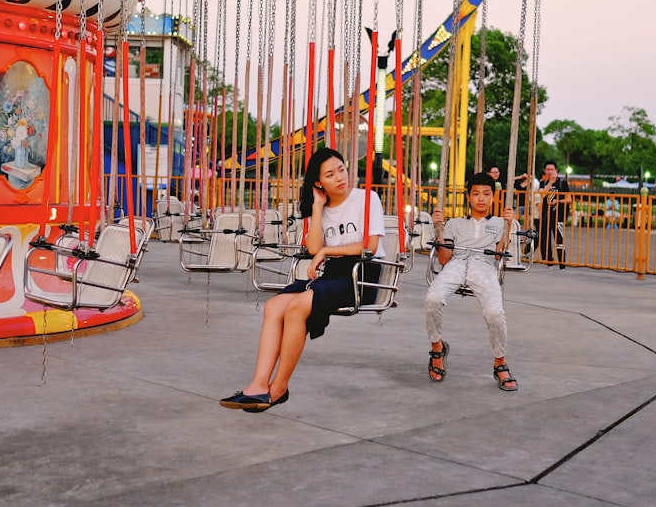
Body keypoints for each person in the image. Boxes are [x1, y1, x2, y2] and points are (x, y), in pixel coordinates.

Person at [219, 147, 386, 412]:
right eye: (330, 175)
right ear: (319, 183)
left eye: (341, 169)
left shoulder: (367, 198)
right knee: (274, 306)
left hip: (362, 274)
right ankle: (259, 385)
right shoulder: (321, 206)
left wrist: (327, 251)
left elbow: (370, 246)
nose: (340, 177)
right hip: (333, 274)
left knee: (297, 307)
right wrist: (318, 207)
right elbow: (313, 247)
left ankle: (279, 387)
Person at [424, 172, 518, 391]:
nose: (481, 198)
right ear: (468, 197)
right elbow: (444, 258)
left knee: (494, 312)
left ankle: (500, 362)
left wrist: (508, 227)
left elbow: (497, 256)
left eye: (486, 194)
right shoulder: (455, 223)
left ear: (493, 197)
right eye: (476, 194)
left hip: (484, 264)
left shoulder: (498, 223)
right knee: (432, 299)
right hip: (457, 262)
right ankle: (437, 348)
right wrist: (438, 230)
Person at [534, 161, 571, 268]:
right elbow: (541, 195)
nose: (550, 171)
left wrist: (558, 201)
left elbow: (569, 199)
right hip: (546, 215)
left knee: (559, 239)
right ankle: (548, 261)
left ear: (556, 170)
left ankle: (562, 263)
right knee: (545, 238)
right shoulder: (543, 183)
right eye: (548, 169)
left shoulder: (562, 183)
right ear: (545, 171)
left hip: (559, 215)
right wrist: (549, 183)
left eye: (552, 169)